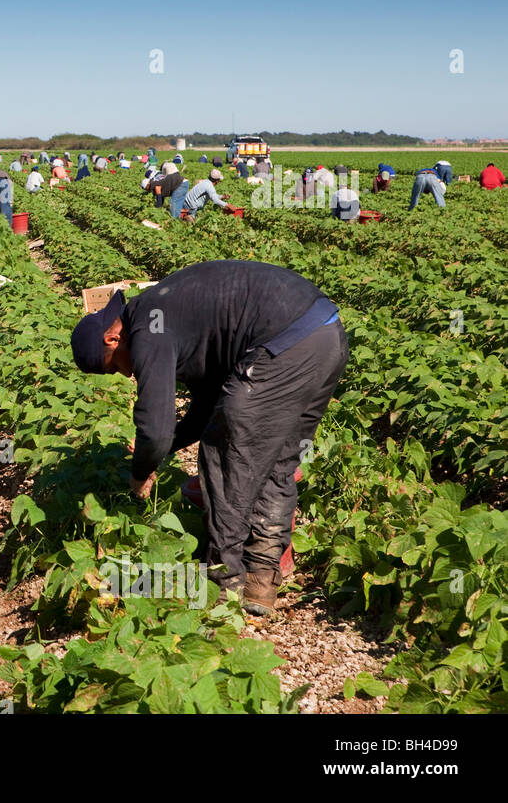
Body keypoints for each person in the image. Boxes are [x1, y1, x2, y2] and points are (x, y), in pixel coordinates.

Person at [69, 260, 347, 616]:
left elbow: (155, 424)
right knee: (276, 461)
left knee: (225, 453)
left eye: (114, 366)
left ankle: (223, 583)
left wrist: (141, 470)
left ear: (113, 338)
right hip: (324, 337)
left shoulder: (147, 326)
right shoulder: (172, 315)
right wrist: (162, 449)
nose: (124, 373)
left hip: (284, 344)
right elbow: (202, 411)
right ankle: (260, 583)